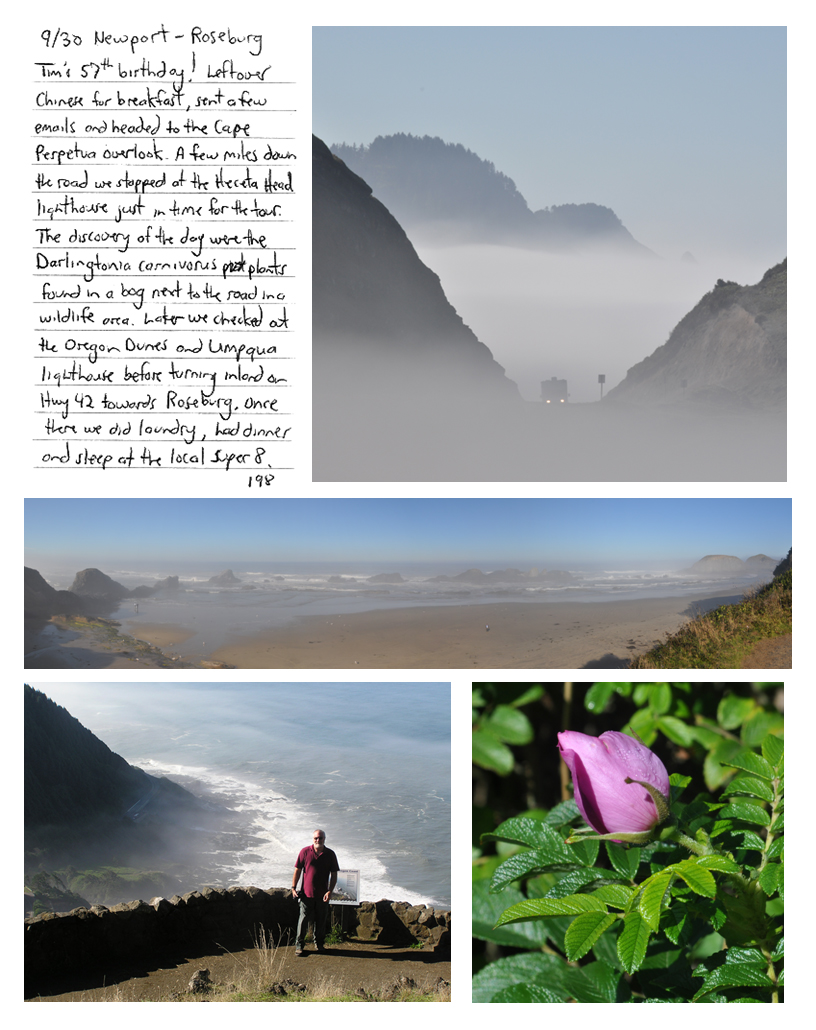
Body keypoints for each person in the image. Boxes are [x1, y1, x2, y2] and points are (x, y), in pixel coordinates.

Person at [292, 829, 339, 955]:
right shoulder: (305, 852)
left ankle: (319, 944)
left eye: (320, 838)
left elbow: (334, 875)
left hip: (322, 895)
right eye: (316, 838)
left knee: (321, 921)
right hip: (306, 894)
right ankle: (299, 945)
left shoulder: (330, 854)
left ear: (324, 839)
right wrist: (293, 887)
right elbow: (297, 870)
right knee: (302, 921)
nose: (318, 840)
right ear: (313, 839)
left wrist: (330, 891)